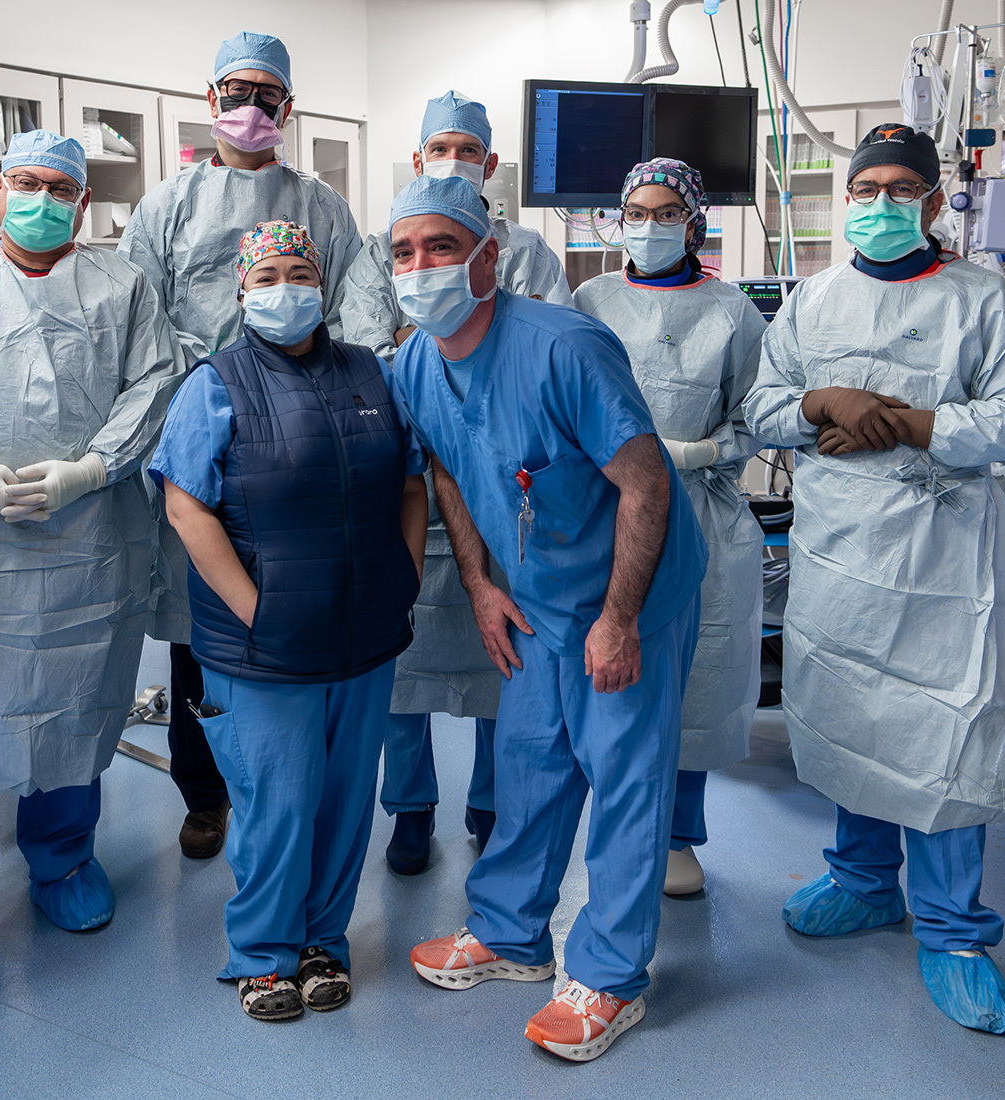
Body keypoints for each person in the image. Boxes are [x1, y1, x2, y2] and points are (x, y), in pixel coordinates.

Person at [745, 122, 1005, 1035]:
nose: (880, 204)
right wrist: (818, 405)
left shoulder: (984, 301)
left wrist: (922, 427)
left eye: (900, 189)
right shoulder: (813, 300)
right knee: (852, 721)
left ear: (932, 200)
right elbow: (764, 407)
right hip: (841, 559)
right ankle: (862, 881)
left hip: (943, 566)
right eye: (866, 188)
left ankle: (956, 929)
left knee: (945, 735)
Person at [387, 175, 706, 1062]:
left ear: (488, 257)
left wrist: (621, 619)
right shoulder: (419, 359)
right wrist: (485, 586)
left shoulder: (565, 348)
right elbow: (448, 470)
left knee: (624, 771)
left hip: (631, 589)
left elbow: (644, 484)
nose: (421, 268)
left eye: (442, 247)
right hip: (534, 595)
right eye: (404, 252)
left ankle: (609, 975)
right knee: (529, 760)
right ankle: (511, 933)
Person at [0, 130, 185, 969]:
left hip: (88, 538)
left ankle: (63, 858)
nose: (41, 200)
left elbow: (156, 381)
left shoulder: (121, 283)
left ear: (84, 204)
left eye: (60, 188)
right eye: (25, 183)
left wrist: (91, 467)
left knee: (75, 696)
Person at [148, 221, 426, 1020]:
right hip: (263, 648)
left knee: (344, 802)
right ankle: (263, 954)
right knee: (277, 805)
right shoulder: (217, 384)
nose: (285, 287)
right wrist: (254, 609)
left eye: (299, 271)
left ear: (326, 285)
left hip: (367, 636)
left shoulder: (373, 374)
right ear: (242, 291)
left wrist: (402, 580)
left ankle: (322, 944)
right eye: (266, 275)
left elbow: (411, 484)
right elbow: (185, 505)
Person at [118, 31, 363, 859]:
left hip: (300, 420)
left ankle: (290, 786)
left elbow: (356, 308)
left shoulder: (321, 205)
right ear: (210, 99)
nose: (249, 109)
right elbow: (137, 319)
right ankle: (205, 791)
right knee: (202, 621)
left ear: (287, 109)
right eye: (235, 92)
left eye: (266, 95)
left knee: (294, 592)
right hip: (199, 412)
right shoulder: (168, 203)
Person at [341, 90, 571, 875]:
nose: (452, 162)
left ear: (490, 164)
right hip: (404, 474)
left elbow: (535, 344)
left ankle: (490, 804)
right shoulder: (379, 250)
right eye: (440, 148)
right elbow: (370, 354)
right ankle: (408, 809)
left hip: (501, 485)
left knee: (497, 650)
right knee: (401, 654)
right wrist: (457, 332)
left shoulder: (529, 251)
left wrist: (438, 334)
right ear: (416, 160)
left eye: (466, 150)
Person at [573, 158, 765, 896]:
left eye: (665, 214)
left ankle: (680, 832)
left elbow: (758, 413)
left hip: (699, 510)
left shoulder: (732, 311)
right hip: (605, 513)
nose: (649, 227)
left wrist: (701, 451)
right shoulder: (588, 299)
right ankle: (617, 827)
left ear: (694, 224)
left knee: (694, 677)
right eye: (637, 212)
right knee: (611, 669)